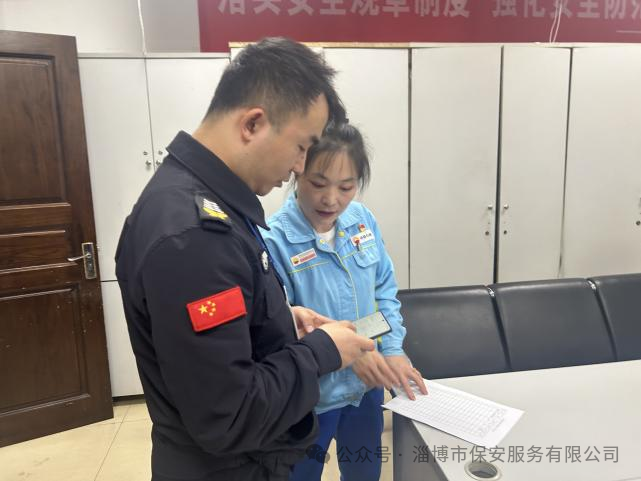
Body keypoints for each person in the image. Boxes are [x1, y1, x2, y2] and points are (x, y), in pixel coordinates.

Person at [115, 38, 377, 481]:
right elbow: (230, 413)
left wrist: (280, 320)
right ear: (253, 123)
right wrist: (321, 352)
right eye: (301, 147)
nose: (299, 167)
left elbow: (213, 345)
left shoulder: (205, 204)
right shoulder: (194, 236)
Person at [262, 123, 428, 481]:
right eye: (318, 183)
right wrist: (352, 354)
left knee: (364, 471)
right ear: (297, 171)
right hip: (311, 397)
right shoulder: (274, 240)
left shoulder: (361, 222)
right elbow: (282, 329)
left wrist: (392, 349)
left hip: (366, 387)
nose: (331, 199)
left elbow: (383, 292)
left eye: (346, 187)